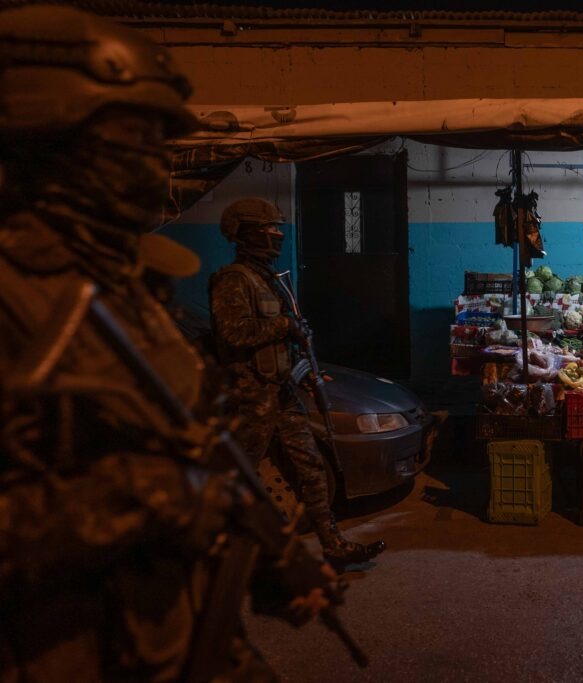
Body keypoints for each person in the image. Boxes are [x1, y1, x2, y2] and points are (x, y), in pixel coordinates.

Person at [0, 6, 343, 680]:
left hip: (173, 637)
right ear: (54, 135)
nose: (154, 168)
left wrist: (267, 557)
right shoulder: (20, 297)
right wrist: (144, 496)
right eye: (136, 139)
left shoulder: (124, 288)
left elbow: (187, 451)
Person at [209, 197, 385, 568]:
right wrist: (283, 326)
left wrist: (301, 366)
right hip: (250, 397)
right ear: (250, 233)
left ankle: (332, 545)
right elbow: (232, 334)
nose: (278, 234)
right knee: (234, 477)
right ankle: (212, 556)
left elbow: (278, 341)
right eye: (270, 228)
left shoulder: (268, 280)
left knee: (311, 468)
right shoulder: (233, 280)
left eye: (278, 227)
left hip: (281, 392)